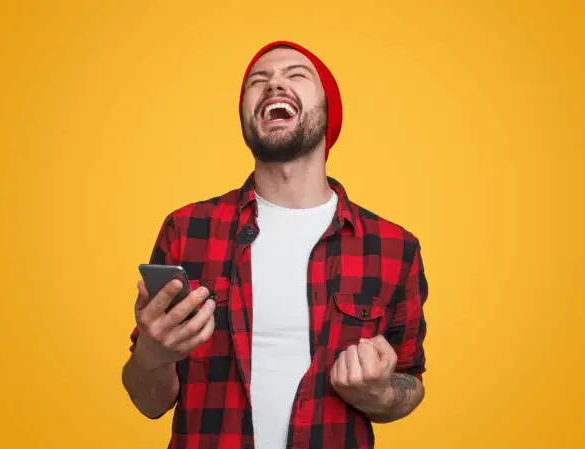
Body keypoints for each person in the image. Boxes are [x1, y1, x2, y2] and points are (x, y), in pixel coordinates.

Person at [122, 40, 429, 449]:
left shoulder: (393, 247)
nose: (273, 85)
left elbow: (410, 380)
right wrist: (152, 356)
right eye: (258, 81)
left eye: (296, 75)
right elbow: (149, 401)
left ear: (328, 111)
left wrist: (380, 393)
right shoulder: (187, 229)